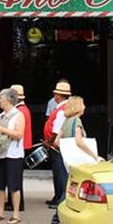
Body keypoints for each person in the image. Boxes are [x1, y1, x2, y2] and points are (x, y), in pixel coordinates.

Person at [0, 88, 25, 224]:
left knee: (14, 185)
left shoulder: (18, 115)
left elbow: (19, 134)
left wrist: (2, 130)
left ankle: (16, 214)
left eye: (1, 98)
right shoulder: (0, 116)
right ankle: (1, 212)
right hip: (0, 153)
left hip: (13, 154)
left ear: (8, 100)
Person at [43, 80, 72, 211]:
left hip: (56, 145)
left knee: (60, 172)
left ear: (58, 96)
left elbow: (56, 131)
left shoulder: (61, 110)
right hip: (56, 145)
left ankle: (61, 198)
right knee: (58, 172)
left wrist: (49, 142)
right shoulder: (62, 107)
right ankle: (58, 197)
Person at [54, 96, 102, 162]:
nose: (84, 107)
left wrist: (68, 150)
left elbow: (56, 142)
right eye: (83, 104)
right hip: (79, 161)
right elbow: (79, 142)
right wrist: (95, 156)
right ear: (78, 107)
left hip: (69, 160)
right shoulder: (76, 121)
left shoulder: (66, 121)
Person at [8, 84, 30, 212]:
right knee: (16, 177)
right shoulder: (23, 109)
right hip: (22, 144)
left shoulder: (20, 111)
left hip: (18, 146)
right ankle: (14, 202)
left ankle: (17, 203)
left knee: (16, 178)